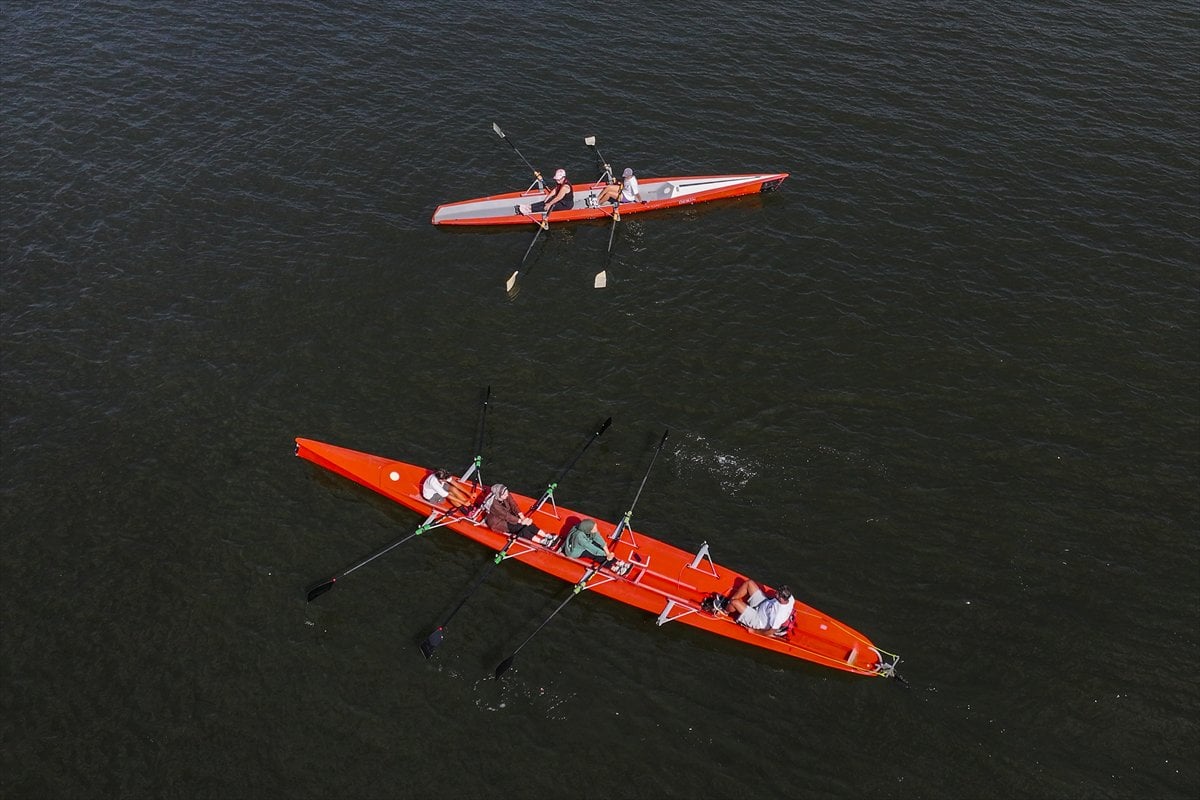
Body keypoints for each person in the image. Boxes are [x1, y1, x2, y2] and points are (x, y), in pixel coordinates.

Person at [705, 580, 794, 634]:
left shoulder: (778, 615)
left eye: (777, 594)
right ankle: (729, 603)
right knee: (749, 583)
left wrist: (754, 631)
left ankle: (724, 610)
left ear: (782, 599)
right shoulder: (790, 598)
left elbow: (772, 631)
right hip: (764, 604)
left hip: (758, 619)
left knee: (735, 602)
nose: (775, 593)